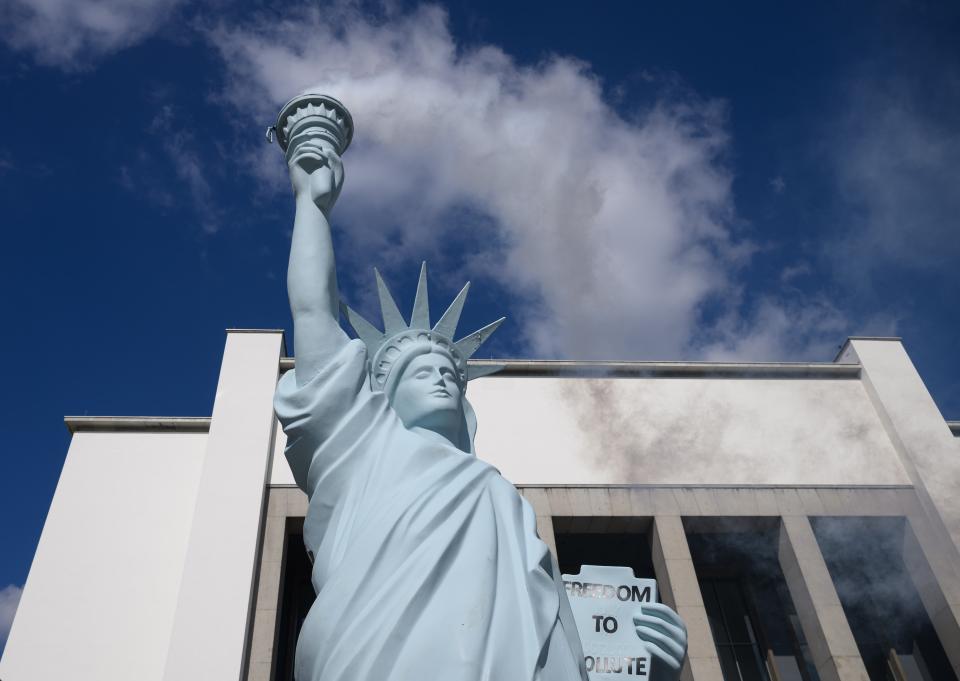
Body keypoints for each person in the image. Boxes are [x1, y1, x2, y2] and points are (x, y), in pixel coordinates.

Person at [274, 117, 686, 681]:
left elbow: (550, 635)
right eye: (423, 372)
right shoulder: (363, 448)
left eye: (450, 372)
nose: (442, 379)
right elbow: (314, 313)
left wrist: (655, 673)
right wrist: (311, 206)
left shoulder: (500, 496)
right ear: (386, 393)